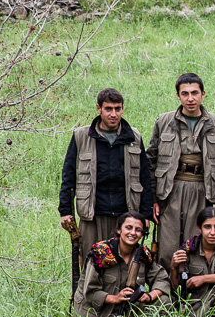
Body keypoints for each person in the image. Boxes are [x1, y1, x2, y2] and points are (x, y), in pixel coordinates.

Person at [59, 88, 154, 264]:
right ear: (98, 109)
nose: (113, 114)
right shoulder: (81, 136)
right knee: (91, 262)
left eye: (117, 109)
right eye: (108, 109)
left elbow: (144, 177)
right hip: (92, 214)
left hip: (125, 212)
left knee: (124, 263)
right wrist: (65, 211)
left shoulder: (133, 136)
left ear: (122, 109)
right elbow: (68, 176)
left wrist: (145, 213)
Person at [146, 73, 215, 270]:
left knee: (197, 242)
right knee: (168, 242)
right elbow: (151, 160)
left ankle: (194, 289)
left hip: (203, 188)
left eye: (194, 93)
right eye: (185, 94)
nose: (190, 98)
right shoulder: (164, 122)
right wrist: (152, 200)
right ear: (178, 96)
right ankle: (165, 291)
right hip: (170, 190)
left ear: (203, 94)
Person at [72, 212, 170, 317]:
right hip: (99, 310)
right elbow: (90, 292)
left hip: (128, 308)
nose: (133, 233)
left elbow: (161, 278)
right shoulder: (100, 253)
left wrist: (150, 296)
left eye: (138, 230)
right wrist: (115, 298)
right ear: (119, 230)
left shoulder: (142, 254)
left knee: (164, 301)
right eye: (128, 228)